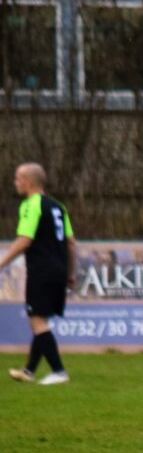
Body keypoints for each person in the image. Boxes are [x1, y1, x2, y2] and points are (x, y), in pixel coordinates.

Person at [4, 163, 74, 386]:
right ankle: (29, 371)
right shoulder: (58, 207)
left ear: (29, 181)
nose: (15, 182)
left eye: (18, 178)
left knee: (37, 321)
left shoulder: (30, 205)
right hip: (59, 269)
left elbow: (25, 240)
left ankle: (59, 372)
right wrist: (71, 272)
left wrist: (2, 262)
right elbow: (71, 243)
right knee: (40, 320)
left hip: (41, 271)